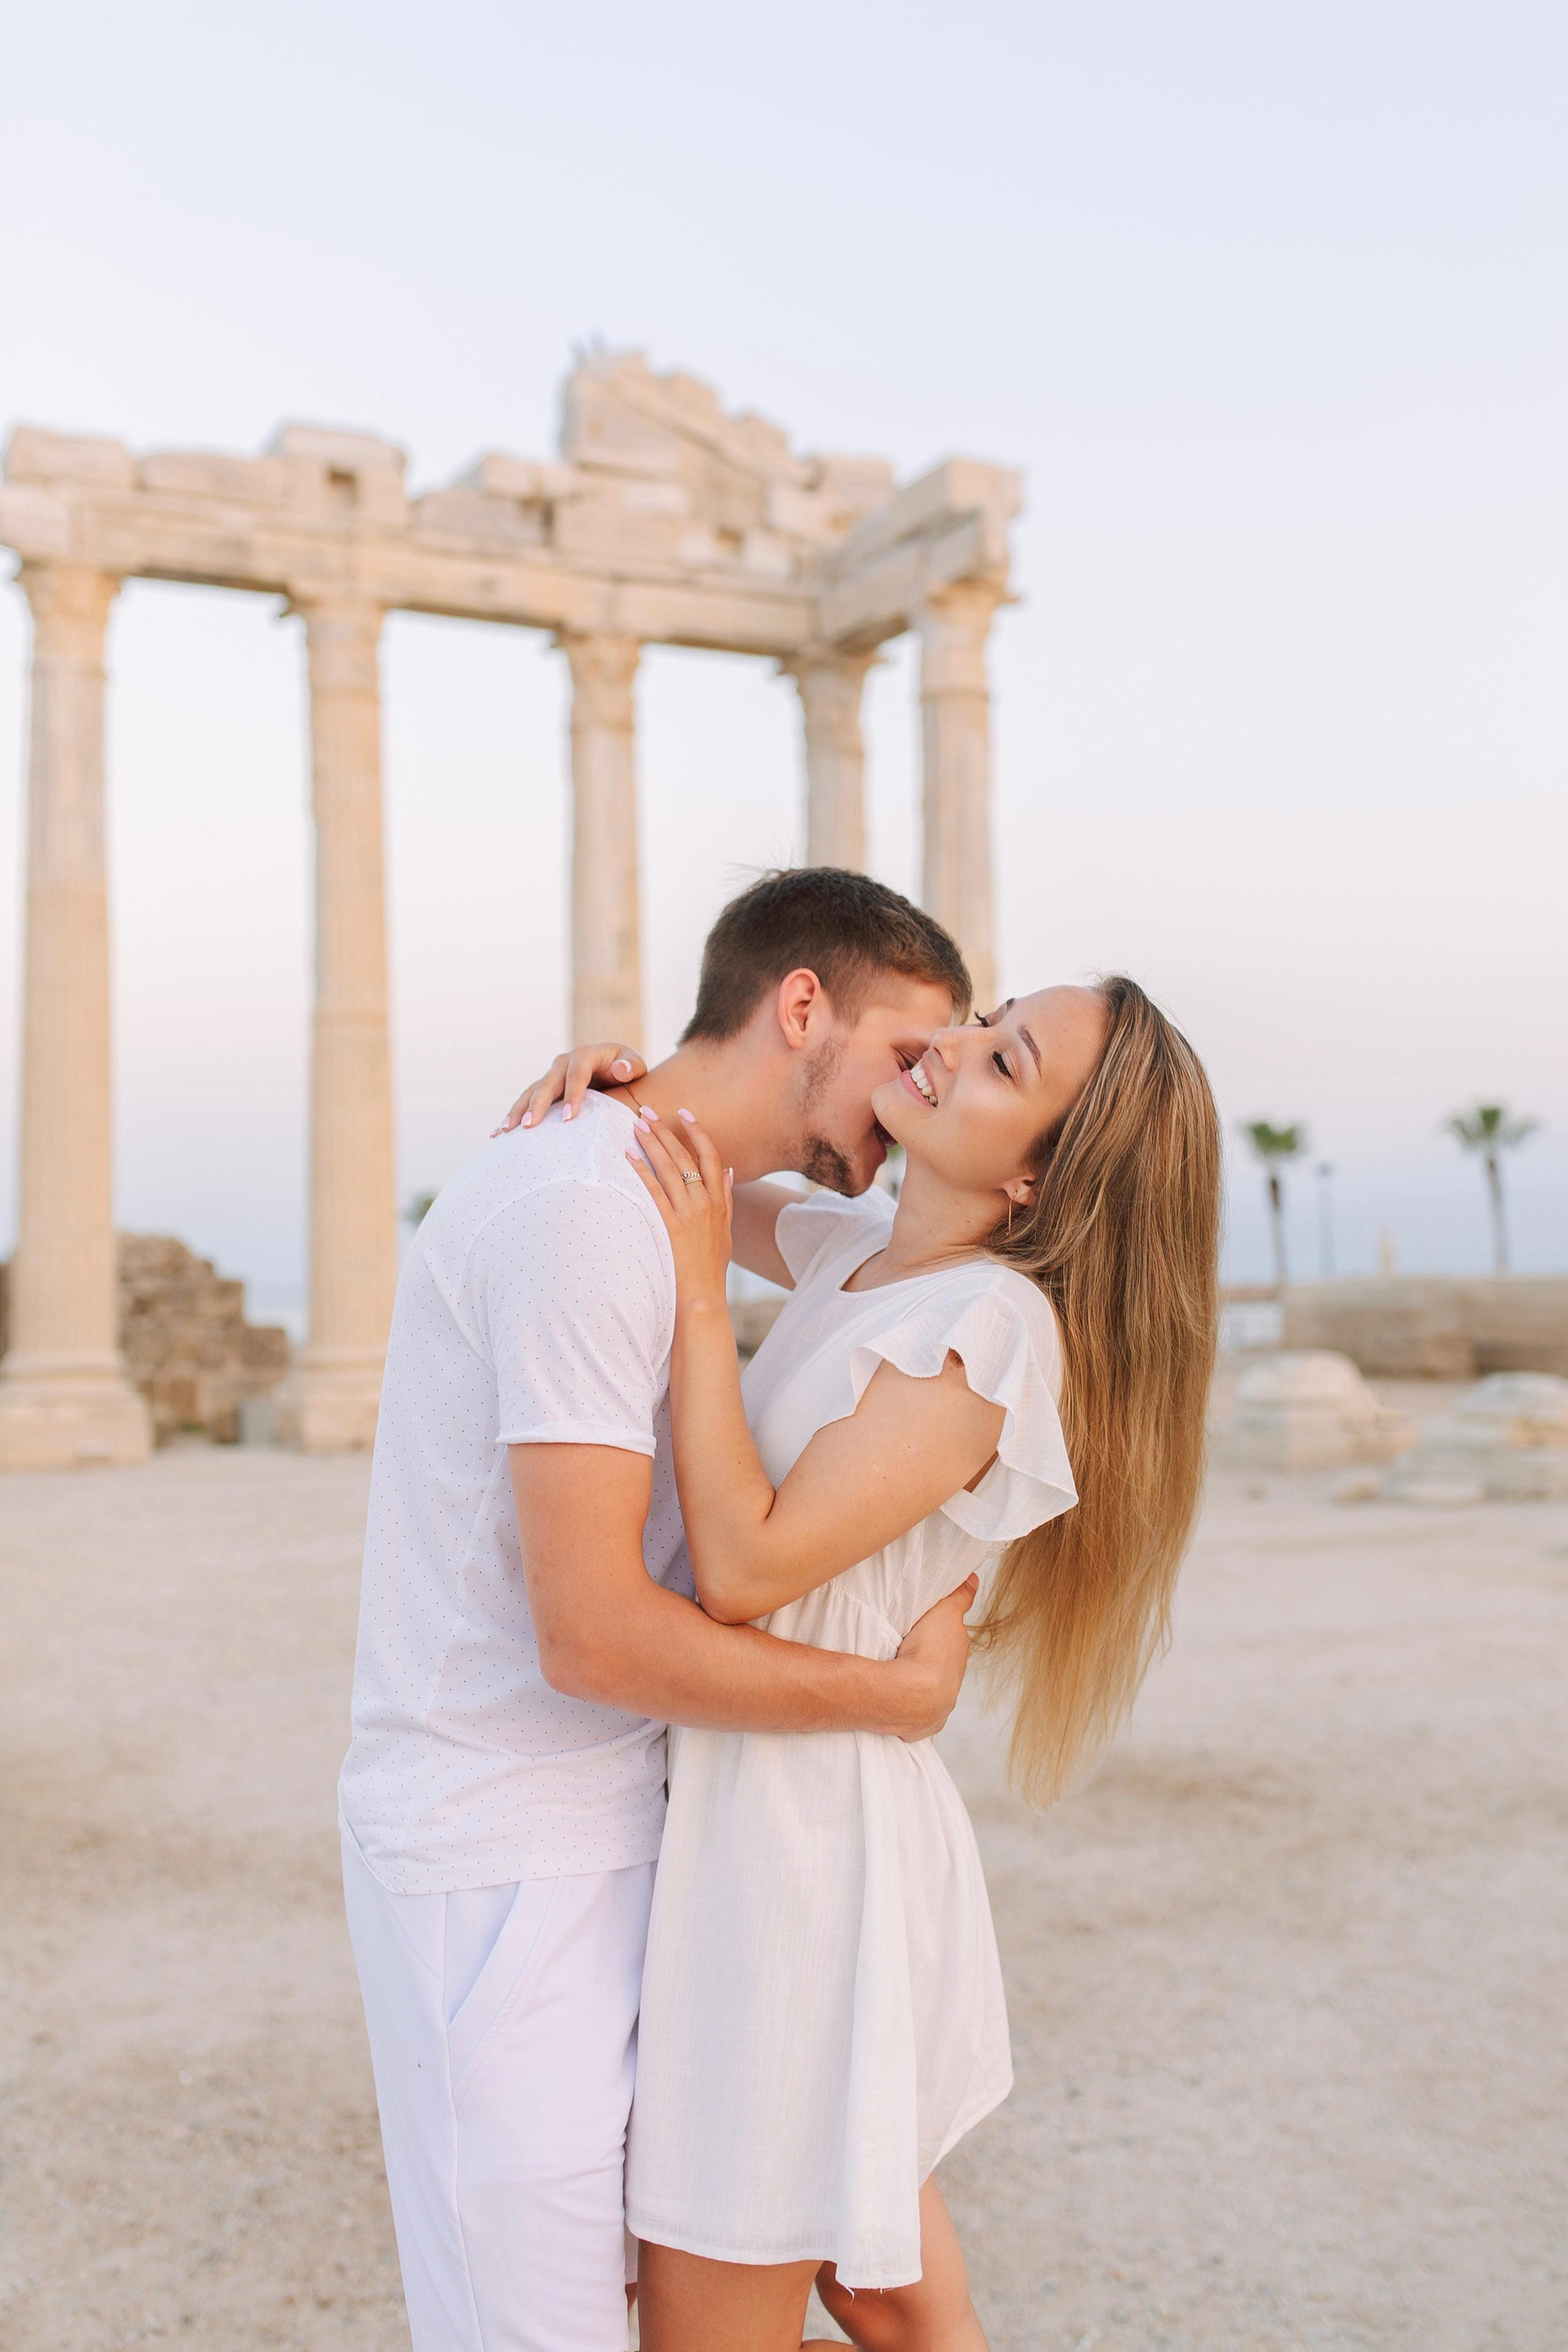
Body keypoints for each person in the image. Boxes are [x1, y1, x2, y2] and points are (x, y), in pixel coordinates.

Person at [519, 974, 1221, 2351]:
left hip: (802, 1854)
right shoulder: (862, 1256)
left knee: (724, 2304)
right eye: (985, 1016)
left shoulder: (984, 1330)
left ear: (1035, 1181)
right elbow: (688, 1155)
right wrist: (617, 1080)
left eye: (999, 1060)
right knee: (881, 2287)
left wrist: (700, 1307)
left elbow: (744, 1564)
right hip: (756, 1810)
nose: (945, 1047)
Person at [337, 868, 986, 2352]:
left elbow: (882, 1272)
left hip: (651, 1828)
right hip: (503, 1863)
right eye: (909, 1053)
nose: (915, 1098)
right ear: (802, 1005)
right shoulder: (582, 1206)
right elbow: (595, 1636)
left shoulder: (656, 1181)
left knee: (800, 2275)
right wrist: (891, 1699)